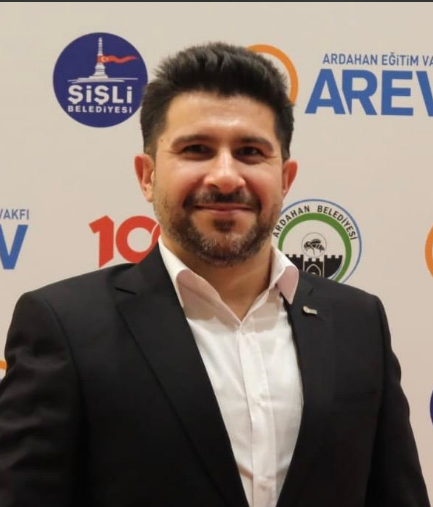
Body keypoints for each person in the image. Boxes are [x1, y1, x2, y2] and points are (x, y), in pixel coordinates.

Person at [0, 42, 430, 507]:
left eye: (250, 152)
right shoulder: (66, 326)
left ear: (285, 178)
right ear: (147, 176)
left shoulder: (359, 322)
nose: (225, 177)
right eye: (197, 150)